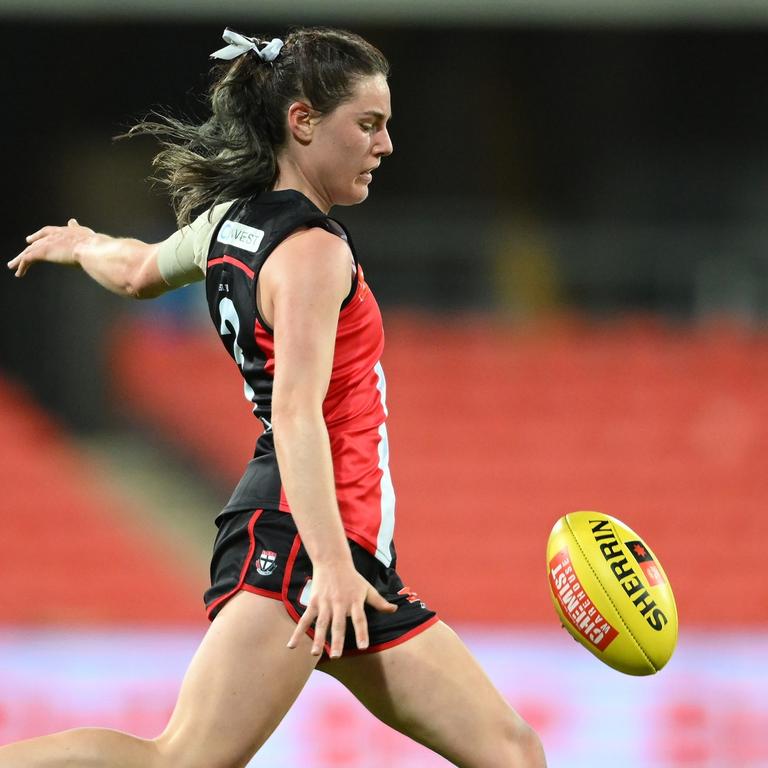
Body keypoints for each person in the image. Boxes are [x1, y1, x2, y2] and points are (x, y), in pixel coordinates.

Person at [4, 27, 547, 768]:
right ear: (302, 122)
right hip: (305, 542)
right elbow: (297, 412)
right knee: (183, 759)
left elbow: (137, 271)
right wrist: (326, 563)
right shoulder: (314, 253)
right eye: (368, 124)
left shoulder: (228, 226)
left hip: (339, 555)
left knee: (512, 752)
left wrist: (84, 243)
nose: (385, 144)